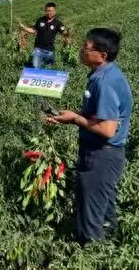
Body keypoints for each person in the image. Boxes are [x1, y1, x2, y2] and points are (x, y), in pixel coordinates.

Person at [46, 28, 133, 245]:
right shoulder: (105, 74)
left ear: (102, 55)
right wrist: (74, 115)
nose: (81, 51)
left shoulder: (105, 83)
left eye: (86, 48)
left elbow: (107, 129)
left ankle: (90, 259)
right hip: (105, 154)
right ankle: (110, 249)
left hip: (102, 155)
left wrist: (76, 119)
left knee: (91, 214)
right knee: (103, 208)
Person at [19, 2, 67, 68]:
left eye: (51, 11)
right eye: (48, 11)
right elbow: (33, 30)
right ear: (45, 11)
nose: (50, 13)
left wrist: (68, 33)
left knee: (48, 69)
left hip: (50, 51)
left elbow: (64, 32)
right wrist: (23, 27)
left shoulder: (58, 23)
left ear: (55, 11)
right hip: (38, 49)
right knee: (35, 67)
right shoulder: (40, 20)